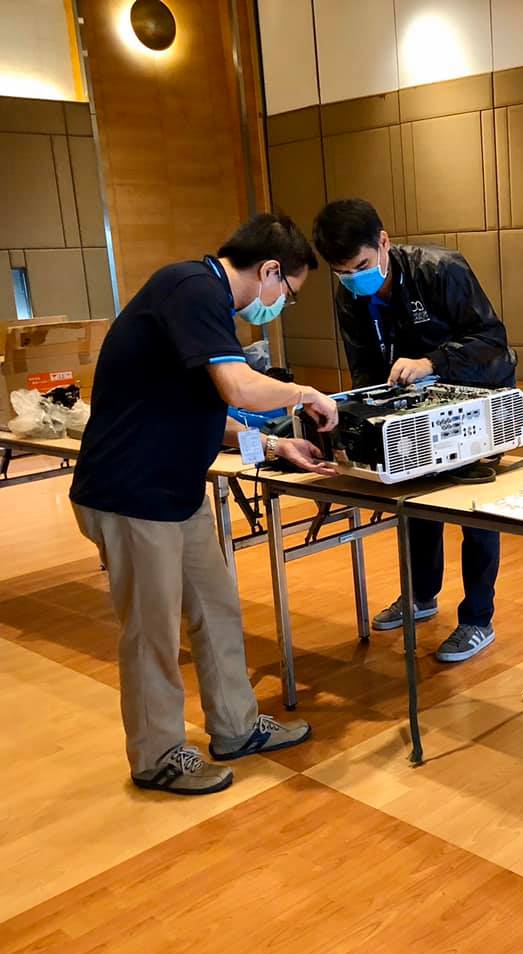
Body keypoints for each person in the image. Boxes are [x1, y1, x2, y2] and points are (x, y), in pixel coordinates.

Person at [70, 213, 338, 796]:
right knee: (152, 631)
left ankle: (237, 727)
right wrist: (304, 393)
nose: (280, 306)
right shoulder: (192, 288)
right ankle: (157, 756)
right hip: (131, 493)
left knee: (216, 609)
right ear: (270, 271)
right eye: (288, 293)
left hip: (175, 490)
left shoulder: (200, 300)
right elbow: (240, 388)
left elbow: (205, 411)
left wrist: (275, 444)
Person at [313, 198, 517, 664]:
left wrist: (432, 362)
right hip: (414, 408)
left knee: (473, 510)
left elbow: (492, 340)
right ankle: (421, 596)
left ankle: (477, 619)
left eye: (361, 266)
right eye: (342, 272)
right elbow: (365, 367)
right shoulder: (349, 295)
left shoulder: (441, 269)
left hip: (477, 397)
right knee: (415, 502)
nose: (354, 278)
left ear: (384, 242)